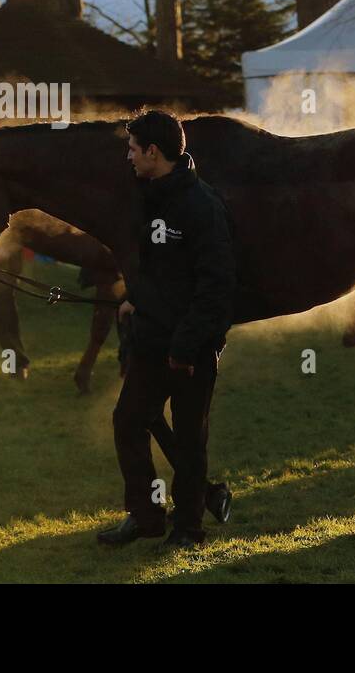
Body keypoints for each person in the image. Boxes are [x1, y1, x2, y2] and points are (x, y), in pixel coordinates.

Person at [97, 110, 236, 550]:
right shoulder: (149, 197)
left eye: (133, 149)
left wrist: (186, 344)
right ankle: (145, 515)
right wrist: (134, 299)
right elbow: (154, 268)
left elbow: (215, 286)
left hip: (189, 350)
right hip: (151, 341)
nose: (129, 157)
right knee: (128, 421)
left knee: (190, 438)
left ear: (153, 152)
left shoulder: (203, 206)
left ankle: (189, 529)